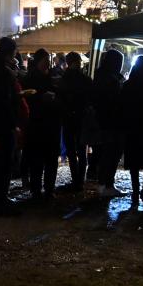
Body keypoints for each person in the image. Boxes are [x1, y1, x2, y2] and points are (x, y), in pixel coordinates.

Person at [0, 38, 28, 215]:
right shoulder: (3, 72)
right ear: (10, 52)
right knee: (4, 162)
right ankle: (1, 201)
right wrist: (13, 123)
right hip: (4, 122)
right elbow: (5, 101)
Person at [23, 48, 61, 200]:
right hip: (37, 124)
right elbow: (26, 98)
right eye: (44, 61)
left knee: (51, 159)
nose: (47, 64)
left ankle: (49, 188)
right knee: (37, 159)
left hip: (52, 123)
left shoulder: (52, 76)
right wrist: (40, 98)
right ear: (38, 62)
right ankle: (36, 189)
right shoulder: (31, 78)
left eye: (48, 61)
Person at [120, 56, 143, 205]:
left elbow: (121, 106)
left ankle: (135, 191)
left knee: (134, 162)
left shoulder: (128, 86)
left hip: (132, 128)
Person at [91, 48, 126, 197]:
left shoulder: (99, 76)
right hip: (112, 122)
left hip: (101, 121)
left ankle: (101, 183)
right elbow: (116, 102)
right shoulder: (112, 80)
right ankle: (108, 184)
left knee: (103, 153)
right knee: (112, 154)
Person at [57, 52, 92, 193]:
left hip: (68, 119)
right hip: (81, 118)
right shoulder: (85, 79)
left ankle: (76, 180)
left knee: (72, 151)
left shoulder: (64, 79)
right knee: (81, 150)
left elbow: (60, 99)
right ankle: (80, 180)